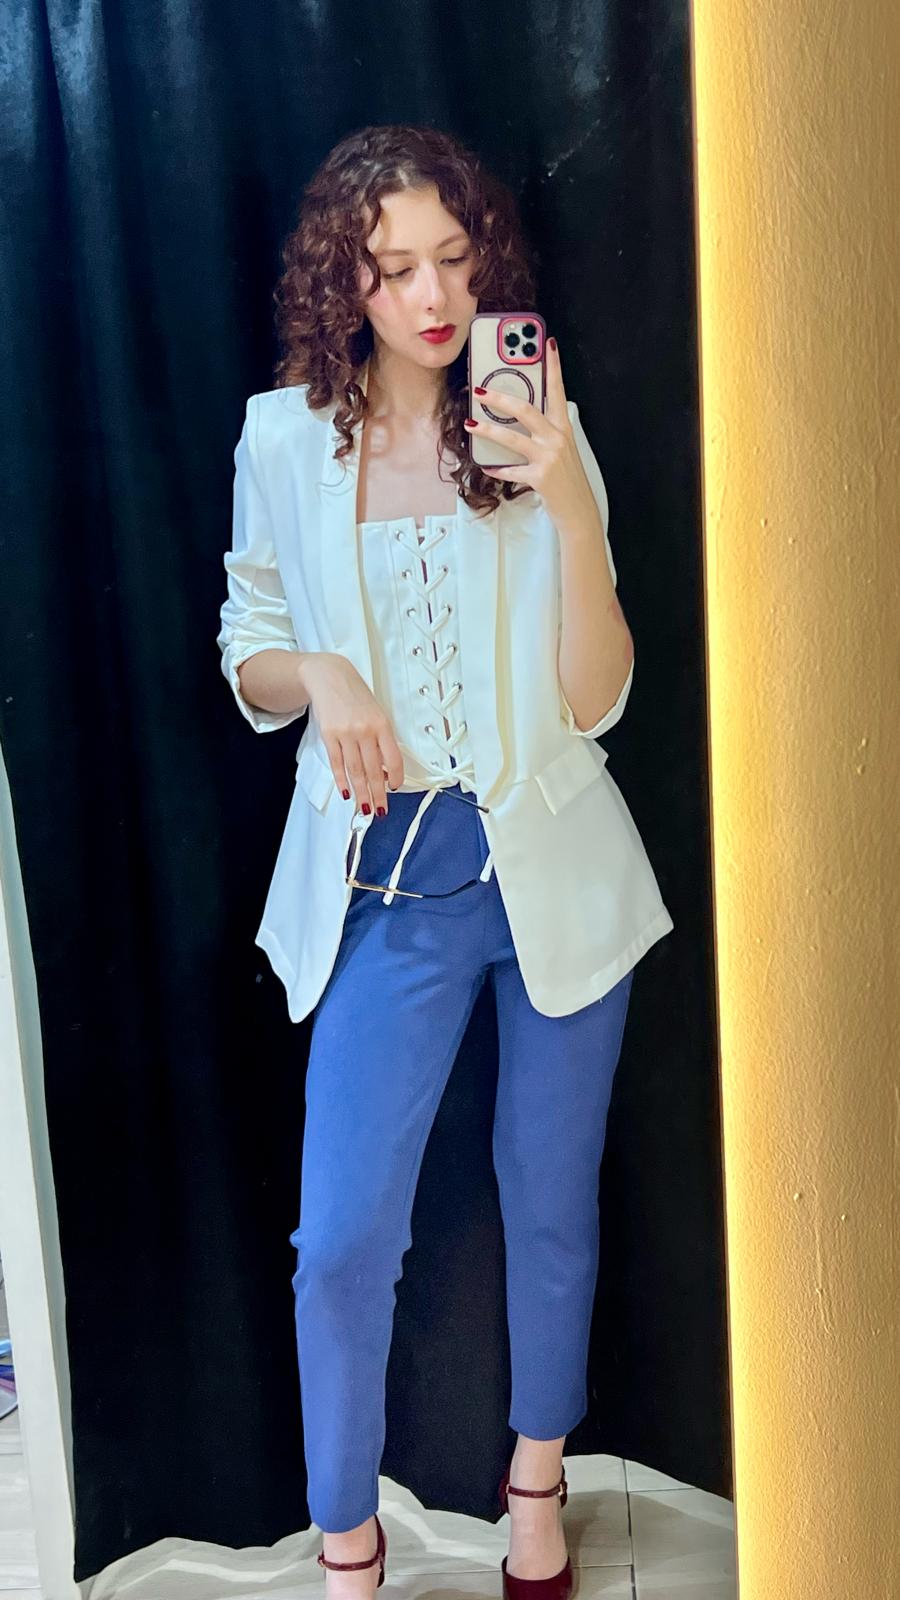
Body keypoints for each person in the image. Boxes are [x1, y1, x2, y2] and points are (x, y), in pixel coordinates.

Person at [218, 124, 674, 1600]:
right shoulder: (282, 438)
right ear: (343, 281)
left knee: (551, 1199)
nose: (431, 297)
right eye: (394, 268)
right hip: (385, 884)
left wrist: (570, 497)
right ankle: (347, 1546)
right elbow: (245, 645)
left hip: (551, 866)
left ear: (488, 263)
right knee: (344, 1237)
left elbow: (599, 699)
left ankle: (537, 1482)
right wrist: (321, 674)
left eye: (455, 260)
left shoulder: (533, 424)